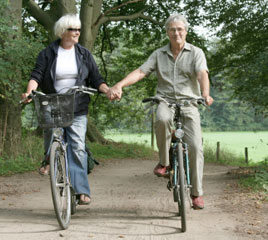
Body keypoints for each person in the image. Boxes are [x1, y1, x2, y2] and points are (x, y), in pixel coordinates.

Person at [109, 14, 213, 209]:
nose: (176, 33)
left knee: (196, 147)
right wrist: (120, 84)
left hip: (189, 102)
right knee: (162, 118)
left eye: (180, 29)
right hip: (165, 100)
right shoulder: (159, 54)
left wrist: (205, 94)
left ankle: (196, 193)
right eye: (172, 30)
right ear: (167, 32)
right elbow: (141, 72)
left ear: (186, 31)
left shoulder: (196, 52)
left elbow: (202, 74)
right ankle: (164, 162)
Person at [22, 14, 110, 205]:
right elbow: (36, 76)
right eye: (72, 29)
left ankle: (81, 190)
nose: (77, 32)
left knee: (77, 146)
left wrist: (108, 90)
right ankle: (49, 158)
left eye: (78, 29)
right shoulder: (47, 53)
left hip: (77, 106)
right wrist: (30, 92)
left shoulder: (84, 54)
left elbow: (96, 79)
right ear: (62, 32)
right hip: (53, 103)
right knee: (51, 133)